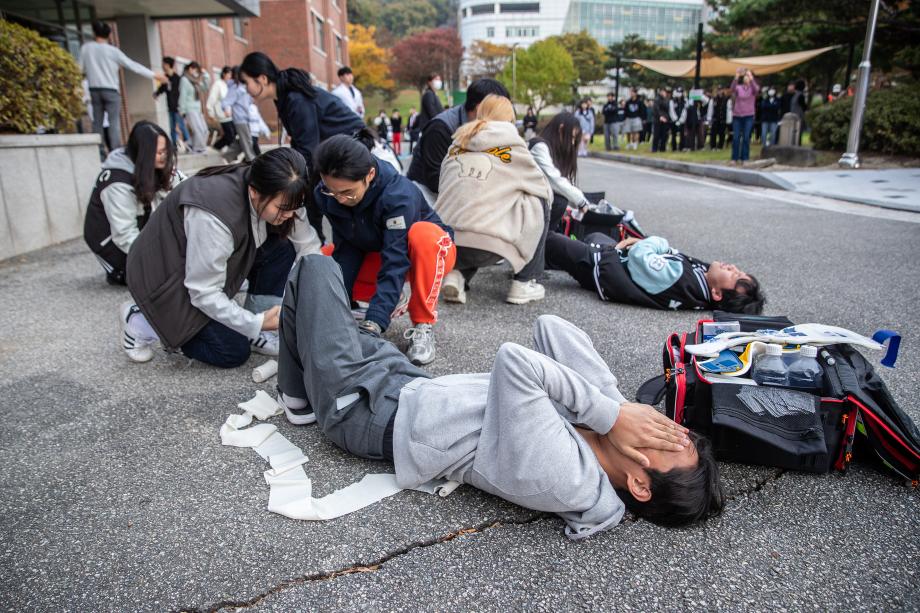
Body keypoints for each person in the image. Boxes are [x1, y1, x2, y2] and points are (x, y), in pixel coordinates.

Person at [274, 253, 725, 535]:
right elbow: (551, 327)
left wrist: (611, 415)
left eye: (667, 443)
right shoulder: (602, 431)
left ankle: (300, 403)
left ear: (640, 485)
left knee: (315, 269)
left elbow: (515, 361)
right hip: (409, 385)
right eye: (674, 431)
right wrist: (618, 408)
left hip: (367, 412)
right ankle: (300, 391)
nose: (663, 427)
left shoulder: (568, 478)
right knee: (331, 319)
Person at [121, 148, 321, 367]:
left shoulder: (281, 189)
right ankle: (142, 320)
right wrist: (254, 324)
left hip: (201, 264)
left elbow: (307, 244)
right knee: (231, 352)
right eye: (283, 208)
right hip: (164, 278)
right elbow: (203, 292)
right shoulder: (213, 216)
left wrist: (323, 290)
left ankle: (261, 320)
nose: (290, 215)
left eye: (296, 207)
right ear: (254, 191)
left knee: (283, 246)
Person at [312, 131, 455, 365]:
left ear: (369, 175)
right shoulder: (327, 194)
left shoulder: (398, 196)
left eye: (347, 193)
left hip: (431, 253)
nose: (339, 199)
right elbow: (346, 249)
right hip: (381, 250)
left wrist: (374, 323)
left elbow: (395, 262)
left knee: (422, 235)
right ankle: (384, 300)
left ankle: (423, 324)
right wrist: (336, 309)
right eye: (332, 191)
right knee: (324, 259)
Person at [436, 95, 553, 306]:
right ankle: (524, 282)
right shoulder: (514, 146)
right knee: (540, 199)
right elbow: (543, 187)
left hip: (447, 242)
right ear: (510, 119)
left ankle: (456, 274)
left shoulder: (457, 143)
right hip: (488, 246)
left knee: (470, 207)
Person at [239, 52, 366, 243]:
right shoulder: (285, 96)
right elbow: (302, 145)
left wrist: (285, 176)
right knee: (310, 198)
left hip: (353, 148)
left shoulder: (295, 98)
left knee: (316, 199)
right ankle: (316, 245)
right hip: (332, 151)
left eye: (246, 82)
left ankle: (317, 247)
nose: (246, 89)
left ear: (262, 79)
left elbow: (307, 149)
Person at [545, 232, 765, 314]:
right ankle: (552, 259)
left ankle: (539, 260)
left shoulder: (680, 278)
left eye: (734, 276)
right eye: (738, 270)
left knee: (551, 240)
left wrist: (652, 242)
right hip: (616, 265)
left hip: (602, 269)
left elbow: (639, 255)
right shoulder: (701, 283)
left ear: (717, 293)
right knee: (595, 236)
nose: (732, 267)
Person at [83, 121, 185, 286]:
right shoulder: (117, 182)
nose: (164, 156)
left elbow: (187, 189)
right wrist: (162, 260)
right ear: (143, 154)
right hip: (111, 243)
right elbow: (124, 234)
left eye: (166, 150)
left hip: (142, 227)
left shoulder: (158, 165)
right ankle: (121, 272)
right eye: (159, 152)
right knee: (163, 281)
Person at [406, 78, 511, 205]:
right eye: (499, 110)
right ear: (480, 107)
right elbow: (435, 179)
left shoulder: (489, 129)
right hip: (426, 197)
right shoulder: (441, 128)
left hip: (461, 192)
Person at [79, 21, 167, 154]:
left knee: (97, 122)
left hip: (94, 90)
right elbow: (133, 66)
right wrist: (154, 75)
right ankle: (115, 151)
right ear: (109, 35)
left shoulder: (86, 48)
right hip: (111, 90)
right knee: (114, 122)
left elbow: (79, 69)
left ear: (94, 33)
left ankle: (99, 151)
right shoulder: (113, 51)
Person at [529, 112, 588, 231]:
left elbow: (566, 183)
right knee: (560, 201)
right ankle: (546, 237)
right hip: (530, 210)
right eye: (571, 137)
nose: (572, 143)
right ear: (561, 129)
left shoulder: (557, 151)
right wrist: (581, 201)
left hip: (542, 210)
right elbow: (554, 180)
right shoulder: (539, 146)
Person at [153, 57, 190, 152]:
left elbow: (183, 93)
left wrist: (183, 107)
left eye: (163, 64)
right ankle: (174, 146)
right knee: (172, 128)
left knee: (181, 126)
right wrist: (156, 93)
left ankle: (189, 144)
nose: (162, 66)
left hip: (178, 107)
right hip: (170, 107)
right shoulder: (165, 78)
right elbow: (162, 88)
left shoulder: (178, 79)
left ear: (168, 65)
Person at [221, 67, 256, 162]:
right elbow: (226, 101)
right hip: (240, 118)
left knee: (243, 141)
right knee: (247, 141)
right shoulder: (235, 87)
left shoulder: (243, 86)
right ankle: (251, 161)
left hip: (246, 117)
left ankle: (227, 156)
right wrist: (227, 109)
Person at [178, 61, 211, 154]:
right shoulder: (184, 80)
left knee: (205, 130)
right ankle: (198, 149)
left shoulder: (195, 81)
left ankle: (190, 144)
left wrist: (205, 74)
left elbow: (205, 88)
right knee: (198, 130)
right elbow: (182, 95)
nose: (196, 73)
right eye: (196, 70)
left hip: (198, 110)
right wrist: (182, 111)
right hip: (189, 109)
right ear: (190, 69)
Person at [729, 67, 759, 164]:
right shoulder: (739, 87)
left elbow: (757, 89)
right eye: (745, 76)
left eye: (747, 76)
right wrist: (736, 77)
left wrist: (751, 77)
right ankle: (734, 158)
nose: (746, 77)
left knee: (746, 137)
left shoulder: (752, 88)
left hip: (748, 116)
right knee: (736, 137)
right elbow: (732, 89)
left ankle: (745, 158)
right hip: (737, 115)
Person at [207, 66, 235, 151]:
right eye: (228, 74)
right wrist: (211, 113)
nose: (230, 76)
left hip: (230, 114)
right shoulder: (218, 84)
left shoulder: (229, 85)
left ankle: (219, 147)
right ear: (223, 74)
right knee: (230, 135)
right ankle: (216, 147)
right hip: (222, 114)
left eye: (231, 74)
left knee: (233, 134)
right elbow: (212, 99)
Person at [652, 89, 671, 153]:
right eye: (663, 91)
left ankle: (662, 148)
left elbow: (668, 109)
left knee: (664, 135)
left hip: (665, 119)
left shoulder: (667, 100)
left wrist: (666, 118)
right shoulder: (657, 99)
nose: (664, 93)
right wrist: (660, 116)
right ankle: (655, 148)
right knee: (656, 135)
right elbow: (656, 109)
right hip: (658, 119)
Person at [669, 87, 687, 152]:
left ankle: (681, 147)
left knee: (682, 135)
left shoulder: (684, 101)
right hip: (674, 121)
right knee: (674, 135)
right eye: (678, 92)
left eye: (680, 92)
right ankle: (674, 148)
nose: (679, 94)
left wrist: (681, 120)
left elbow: (685, 111)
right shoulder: (672, 101)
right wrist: (675, 119)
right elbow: (671, 111)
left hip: (682, 121)